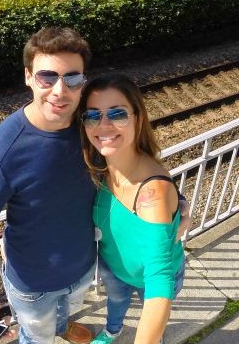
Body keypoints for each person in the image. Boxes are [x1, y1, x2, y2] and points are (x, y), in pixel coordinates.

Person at [0, 27, 97, 344]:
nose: (60, 91)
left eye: (72, 78)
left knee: (67, 310)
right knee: (36, 337)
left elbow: (132, 162)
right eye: (47, 78)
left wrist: (173, 200)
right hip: (33, 286)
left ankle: (62, 326)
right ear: (28, 77)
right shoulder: (3, 150)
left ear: (84, 81)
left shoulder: (93, 126)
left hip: (84, 269)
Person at [78, 75, 186, 344]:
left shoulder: (152, 192)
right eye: (92, 116)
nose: (103, 124)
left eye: (117, 114)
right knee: (116, 300)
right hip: (114, 267)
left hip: (147, 277)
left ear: (138, 118)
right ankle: (113, 330)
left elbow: (159, 283)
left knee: (153, 328)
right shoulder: (99, 166)